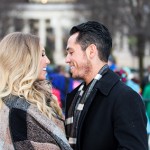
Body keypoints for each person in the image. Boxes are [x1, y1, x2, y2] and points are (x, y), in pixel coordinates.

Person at [65, 21, 148, 150]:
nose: (67, 59)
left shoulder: (125, 98)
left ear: (91, 51)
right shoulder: (75, 96)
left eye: (71, 52)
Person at [0, 32, 73, 150]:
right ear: (24, 60)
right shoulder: (17, 112)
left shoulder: (37, 99)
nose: (48, 61)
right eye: (42, 55)